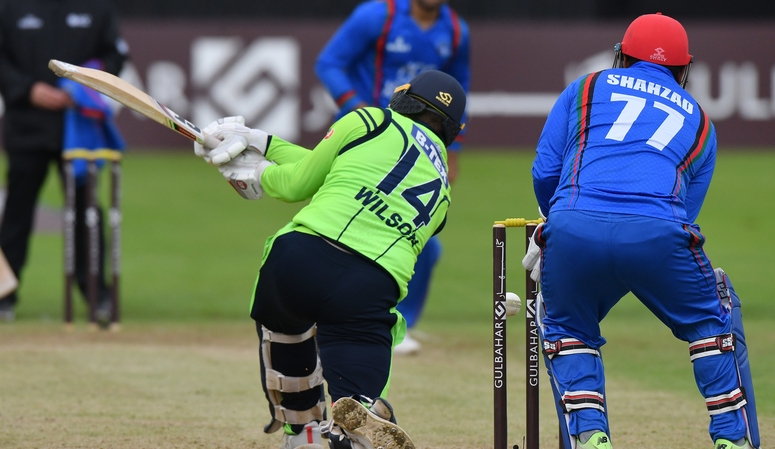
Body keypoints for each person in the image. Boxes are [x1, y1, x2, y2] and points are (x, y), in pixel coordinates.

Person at [194, 70, 466, 449]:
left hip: (299, 261)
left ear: (403, 98)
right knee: (354, 401)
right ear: (452, 130)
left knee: (285, 337)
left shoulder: (369, 119)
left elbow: (298, 183)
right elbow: (341, 168)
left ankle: (301, 430)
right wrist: (262, 142)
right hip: (369, 288)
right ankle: (359, 416)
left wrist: (258, 171)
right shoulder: (443, 196)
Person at [526, 13, 760, 449]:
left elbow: (545, 171)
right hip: (659, 232)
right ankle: (732, 438)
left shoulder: (586, 87)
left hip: (575, 224)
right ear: (684, 68)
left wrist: (553, 222)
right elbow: (685, 213)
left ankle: (590, 434)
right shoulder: (701, 122)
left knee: (566, 324)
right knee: (711, 321)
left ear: (622, 56)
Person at [315, 0, 470, 355]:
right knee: (339, 222)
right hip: (370, 137)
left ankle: (398, 323)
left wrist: (455, 148)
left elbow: (461, 88)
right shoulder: (377, 16)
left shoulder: (456, 31)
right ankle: (326, 312)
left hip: (418, 149)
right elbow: (329, 63)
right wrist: (356, 107)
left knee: (422, 239)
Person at [0, 0, 128, 323]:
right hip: (26, 127)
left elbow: (114, 55)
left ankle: (97, 295)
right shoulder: (11, 7)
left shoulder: (97, 8)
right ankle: (4, 296)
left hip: (78, 129)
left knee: (87, 211)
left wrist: (82, 84)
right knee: (17, 212)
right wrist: (27, 89)